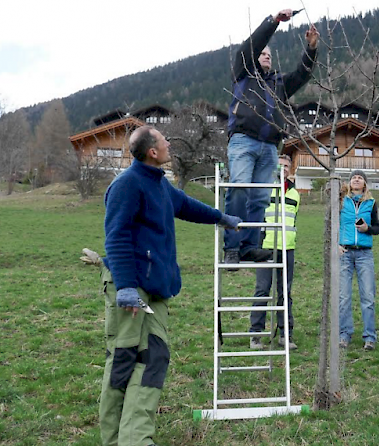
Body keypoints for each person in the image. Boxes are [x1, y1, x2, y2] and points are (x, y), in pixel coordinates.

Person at [99, 126, 241, 446]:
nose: (169, 144)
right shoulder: (127, 185)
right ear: (152, 151)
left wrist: (222, 218)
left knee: (154, 358)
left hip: (156, 290)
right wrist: (125, 287)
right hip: (130, 286)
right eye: (164, 140)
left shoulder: (159, 184)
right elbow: (116, 236)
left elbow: (188, 206)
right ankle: (113, 439)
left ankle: (135, 439)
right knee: (124, 361)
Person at [224, 9, 319, 267]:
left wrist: (311, 49)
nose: (265, 56)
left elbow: (301, 74)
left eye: (269, 54)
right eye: (262, 53)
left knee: (261, 198)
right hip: (243, 140)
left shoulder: (278, 83)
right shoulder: (243, 73)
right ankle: (232, 247)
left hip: (269, 147)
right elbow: (249, 47)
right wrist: (274, 21)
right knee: (241, 188)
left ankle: (249, 247)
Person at [249, 155, 300, 350]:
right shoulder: (262, 189)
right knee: (262, 290)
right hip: (266, 248)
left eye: (287, 166)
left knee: (285, 293)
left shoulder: (295, 193)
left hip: (287, 249)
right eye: (281, 165)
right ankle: (255, 334)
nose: (284, 169)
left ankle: (285, 334)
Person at [338, 170, 379, 351]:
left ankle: (369, 336)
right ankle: (344, 334)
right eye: (354, 177)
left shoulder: (371, 203)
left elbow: (377, 228)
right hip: (344, 253)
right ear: (349, 183)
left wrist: (367, 228)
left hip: (364, 254)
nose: (356, 179)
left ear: (365, 184)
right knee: (344, 297)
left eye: (360, 177)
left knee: (368, 297)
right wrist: (336, 243)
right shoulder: (341, 200)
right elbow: (332, 223)